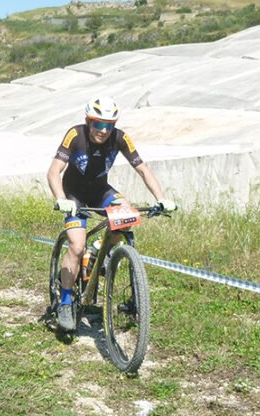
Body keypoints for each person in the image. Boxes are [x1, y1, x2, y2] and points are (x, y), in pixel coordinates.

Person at [46, 95, 176, 332]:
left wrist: (161, 198)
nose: (103, 130)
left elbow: (143, 169)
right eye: (98, 123)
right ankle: (65, 302)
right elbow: (54, 171)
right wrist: (60, 199)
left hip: (100, 190)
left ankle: (96, 252)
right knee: (76, 246)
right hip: (74, 194)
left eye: (109, 125)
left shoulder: (120, 138)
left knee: (126, 216)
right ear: (88, 121)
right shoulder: (75, 135)